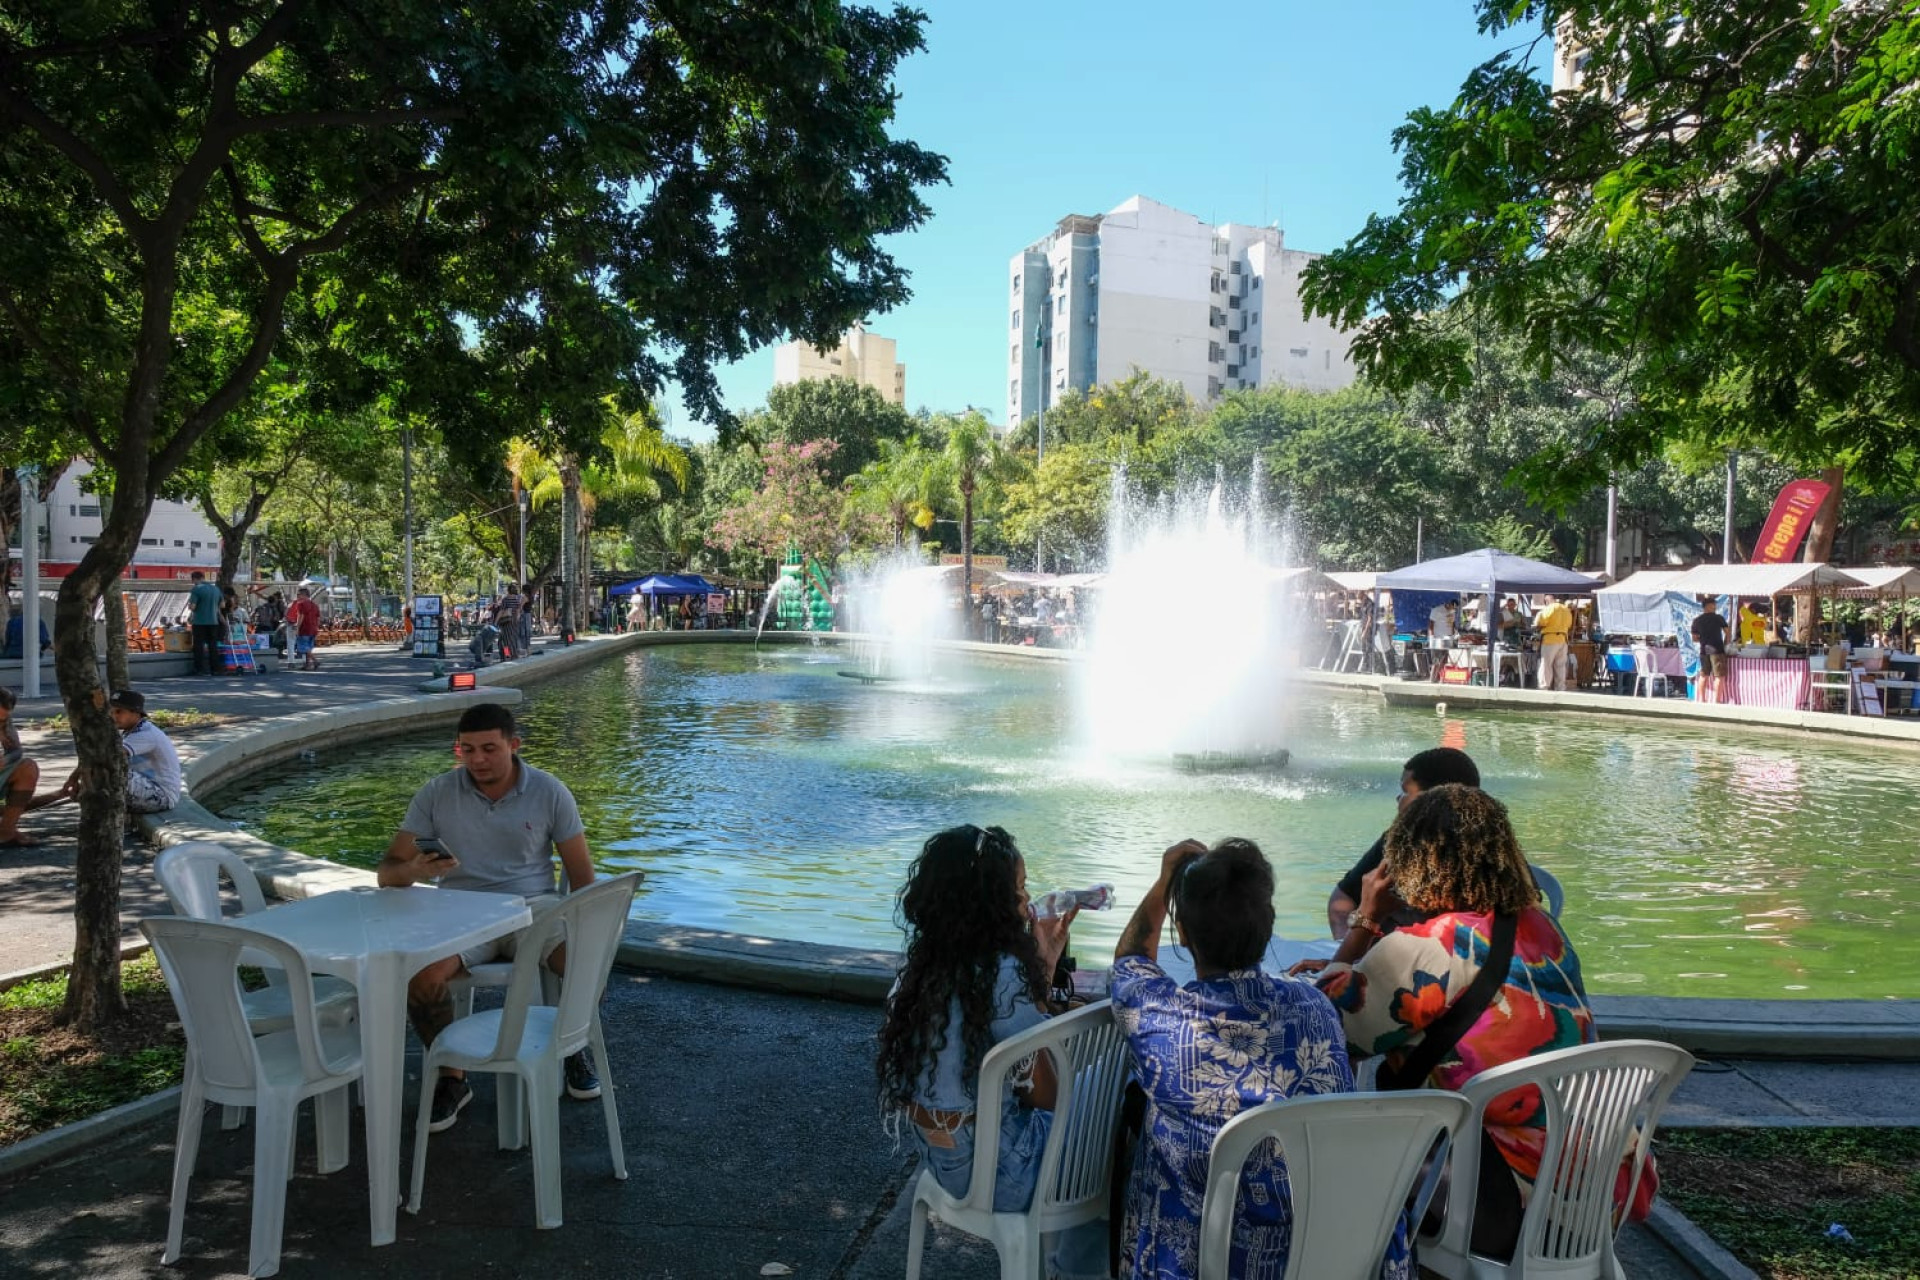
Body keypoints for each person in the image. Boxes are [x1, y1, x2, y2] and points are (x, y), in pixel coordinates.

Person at [1311, 785, 1602, 1262]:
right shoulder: (1544, 927)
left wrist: (1365, 918)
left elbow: (1319, 1029)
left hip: (1498, 1206)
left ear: (1410, 861)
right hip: (1589, 1189)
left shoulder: (1431, 947)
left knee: (1324, 1147)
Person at [1111, 837, 1402, 1280]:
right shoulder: (1315, 1008)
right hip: (1319, 1249)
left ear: (1184, 935)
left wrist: (1166, 877)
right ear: (1268, 927)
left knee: (1146, 1121)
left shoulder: (1161, 1018)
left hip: (1205, 1257)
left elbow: (1130, 958)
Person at [874, 825, 1107, 1280]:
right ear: (989, 905)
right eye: (1019, 891)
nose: (1026, 903)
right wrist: (1038, 978)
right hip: (1004, 1176)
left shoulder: (924, 969)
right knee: (1118, 1118)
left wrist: (1041, 970)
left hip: (943, 1164)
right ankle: (1076, 1271)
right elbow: (1048, 1096)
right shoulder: (1001, 975)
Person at [378, 702, 599, 1132]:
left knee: (587, 962)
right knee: (419, 978)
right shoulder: (437, 792)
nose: (477, 760)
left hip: (532, 906)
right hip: (462, 911)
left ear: (513, 746)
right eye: (467, 750)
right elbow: (388, 872)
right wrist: (414, 871)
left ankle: (572, 1043)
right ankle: (452, 1076)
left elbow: (583, 881)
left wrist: (586, 930)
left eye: (489, 749)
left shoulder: (550, 791)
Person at [1326, 746, 1481, 939]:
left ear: (1434, 799)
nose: (1398, 798)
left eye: (1405, 791)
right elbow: (1342, 898)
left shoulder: (1483, 870)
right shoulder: (1396, 841)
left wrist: (1364, 925)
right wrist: (1344, 945)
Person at [0, 688, 47, 847]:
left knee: (28, 768)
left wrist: (5, 760)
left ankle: (6, 831)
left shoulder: (5, 721)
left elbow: (16, 751)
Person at [1692, 598, 1731, 703]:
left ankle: (1701, 699)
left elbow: (1694, 638)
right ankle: (1717, 701)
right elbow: (1727, 632)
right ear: (1709, 605)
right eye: (1714, 605)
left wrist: (1703, 639)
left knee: (1704, 675)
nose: (1715, 607)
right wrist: (1727, 643)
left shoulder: (1697, 620)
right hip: (1717, 650)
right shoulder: (1718, 618)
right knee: (1719, 676)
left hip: (1703, 650)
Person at [186, 570, 224, 677]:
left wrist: (191, 606)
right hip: (214, 622)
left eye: (193, 581)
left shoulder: (196, 589)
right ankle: (215, 669)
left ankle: (199, 669)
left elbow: (193, 607)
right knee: (213, 645)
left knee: (199, 646)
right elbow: (222, 605)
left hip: (199, 622)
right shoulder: (216, 589)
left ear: (195, 579)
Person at [1534, 596, 1574, 692]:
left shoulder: (1549, 608)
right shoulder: (1566, 609)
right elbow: (1569, 625)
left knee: (1546, 664)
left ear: (1547, 601)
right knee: (1560, 665)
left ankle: (1543, 687)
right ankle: (1560, 688)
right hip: (1563, 640)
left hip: (1550, 639)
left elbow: (1540, 622)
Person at [284, 587, 322, 671]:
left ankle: (315, 661)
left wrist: (297, 626)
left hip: (304, 628)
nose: (297, 596)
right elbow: (318, 617)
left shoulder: (300, 604)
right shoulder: (315, 605)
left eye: (299, 594)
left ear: (304, 595)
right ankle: (307, 665)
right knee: (308, 647)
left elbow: (301, 615)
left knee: (303, 647)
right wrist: (317, 627)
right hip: (313, 629)